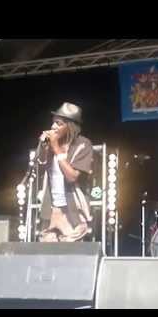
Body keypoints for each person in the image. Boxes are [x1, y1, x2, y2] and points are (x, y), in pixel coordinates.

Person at [36, 102, 93, 242]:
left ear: (70, 127)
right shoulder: (50, 144)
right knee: (46, 257)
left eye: (58, 123)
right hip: (51, 210)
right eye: (53, 123)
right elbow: (39, 166)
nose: (53, 127)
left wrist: (56, 148)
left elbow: (72, 177)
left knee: (71, 256)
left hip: (72, 211)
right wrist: (43, 146)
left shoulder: (83, 145)